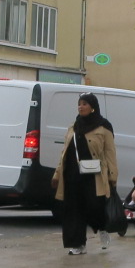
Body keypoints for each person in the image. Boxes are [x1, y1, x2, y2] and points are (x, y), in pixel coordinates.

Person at [53, 93, 118, 254]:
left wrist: (112, 176)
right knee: (73, 209)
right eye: (79, 104)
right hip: (73, 174)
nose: (81, 107)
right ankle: (78, 244)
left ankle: (102, 228)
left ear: (93, 107)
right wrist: (57, 174)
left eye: (85, 104)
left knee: (95, 206)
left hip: (94, 175)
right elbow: (64, 152)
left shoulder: (104, 127)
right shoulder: (74, 127)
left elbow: (110, 153)